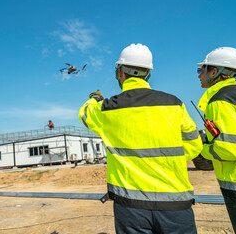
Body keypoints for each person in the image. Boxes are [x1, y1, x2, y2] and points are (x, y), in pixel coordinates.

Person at [79, 43, 202, 233]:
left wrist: (94, 98)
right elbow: (194, 146)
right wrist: (166, 160)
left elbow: (84, 113)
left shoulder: (108, 108)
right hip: (175, 203)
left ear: (119, 72)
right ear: (148, 74)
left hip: (131, 206)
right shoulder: (174, 104)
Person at [197, 47, 236, 234]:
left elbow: (230, 149)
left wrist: (201, 148)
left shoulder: (220, 100)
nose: (199, 75)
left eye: (201, 70)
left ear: (214, 72)